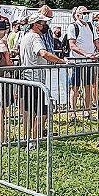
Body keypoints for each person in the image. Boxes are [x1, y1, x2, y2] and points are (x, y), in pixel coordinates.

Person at [19, 13, 67, 143]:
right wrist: (61, 61)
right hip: (36, 80)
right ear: (36, 25)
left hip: (27, 78)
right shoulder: (35, 37)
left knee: (29, 112)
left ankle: (27, 138)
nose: (45, 26)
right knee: (43, 112)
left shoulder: (25, 36)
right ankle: (34, 140)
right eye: (43, 23)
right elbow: (43, 53)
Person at [67, 5, 99, 119]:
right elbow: (72, 45)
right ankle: (72, 112)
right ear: (77, 14)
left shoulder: (90, 25)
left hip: (89, 62)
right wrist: (85, 54)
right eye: (83, 13)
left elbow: (97, 42)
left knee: (88, 87)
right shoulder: (73, 27)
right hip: (77, 62)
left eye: (87, 13)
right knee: (75, 88)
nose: (85, 15)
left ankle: (87, 111)